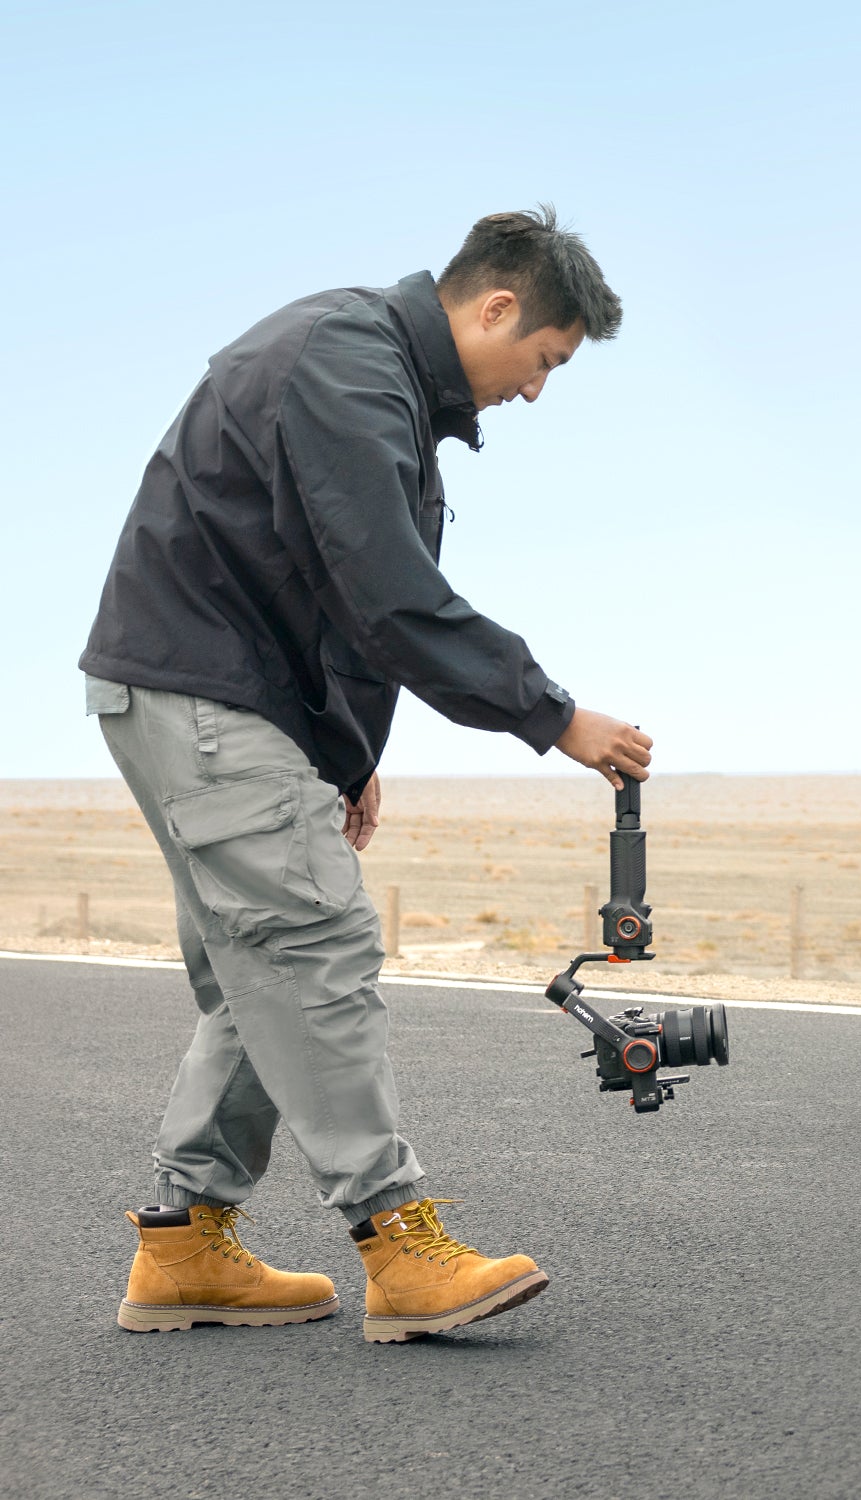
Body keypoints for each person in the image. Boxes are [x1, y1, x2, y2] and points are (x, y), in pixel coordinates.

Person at [79, 206, 652, 1344]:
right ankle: (398, 1243)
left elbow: (332, 597)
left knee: (261, 967)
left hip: (213, 693)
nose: (536, 392)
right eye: (543, 362)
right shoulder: (348, 364)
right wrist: (552, 717)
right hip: (206, 690)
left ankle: (186, 1244)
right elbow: (388, 593)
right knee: (312, 944)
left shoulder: (372, 372)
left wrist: (343, 755)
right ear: (495, 307)